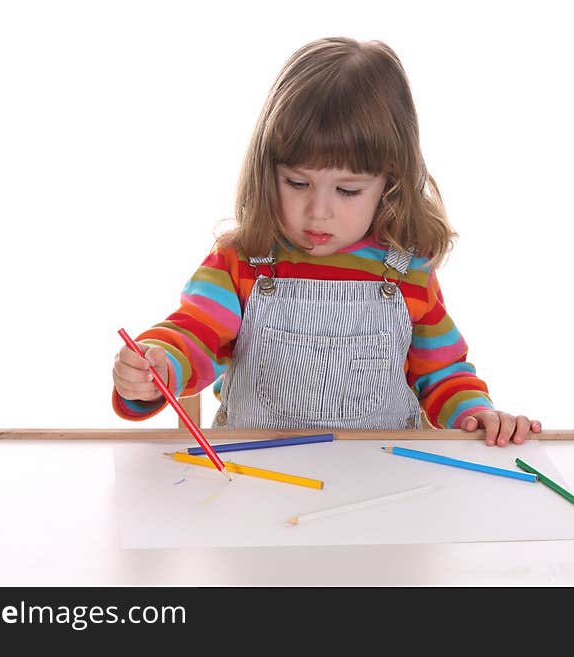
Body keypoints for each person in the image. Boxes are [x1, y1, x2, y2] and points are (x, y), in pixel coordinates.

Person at [112, 37, 541, 447]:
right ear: (269, 171)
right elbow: (195, 335)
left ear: (389, 183)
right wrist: (158, 368)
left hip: (380, 482)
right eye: (297, 182)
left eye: (348, 191)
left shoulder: (407, 272)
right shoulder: (241, 262)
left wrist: (477, 414)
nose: (319, 211)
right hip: (255, 482)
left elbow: (443, 373)